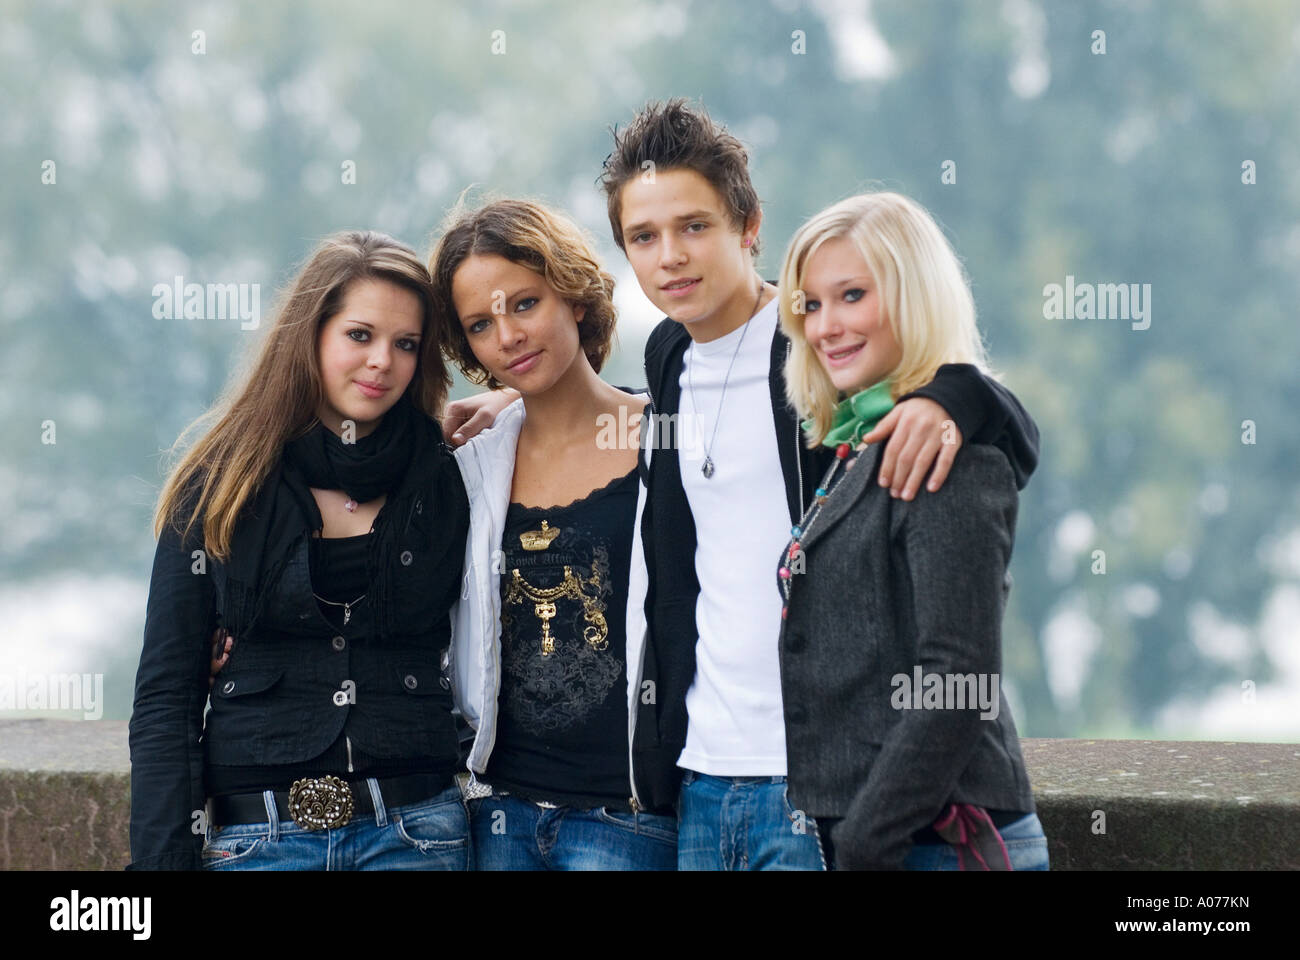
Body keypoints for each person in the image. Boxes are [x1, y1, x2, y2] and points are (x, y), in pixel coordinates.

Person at [453, 98, 1040, 869]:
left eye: (694, 226)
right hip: (704, 786)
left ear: (748, 224)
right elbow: (615, 413)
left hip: (828, 782)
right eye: (644, 236)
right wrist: (517, 394)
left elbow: (989, 428)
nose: (671, 256)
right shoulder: (666, 358)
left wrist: (959, 396)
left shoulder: (817, 343)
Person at [128, 231, 471, 870]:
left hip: (416, 834)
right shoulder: (219, 483)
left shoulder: (450, 474)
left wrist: (512, 405)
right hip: (257, 839)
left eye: (406, 345)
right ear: (309, 335)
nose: (382, 363)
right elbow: (165, 698)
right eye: (360, 335)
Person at [775, 191, 1047, 870]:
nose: (826, 325)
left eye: (853, 295)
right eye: (811, 304)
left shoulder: (943, 448)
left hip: (936, 842)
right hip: (881, 839)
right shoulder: (853, 440)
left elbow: (959, 675)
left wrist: (866, 840)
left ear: (914, 297)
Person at [429, 198, 677, 870]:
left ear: (572, 295)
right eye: (481, 323)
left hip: (628, 818)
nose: (508, 335)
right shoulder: (470, 467)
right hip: (497, 816)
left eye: (525, 303)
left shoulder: (666, 441)